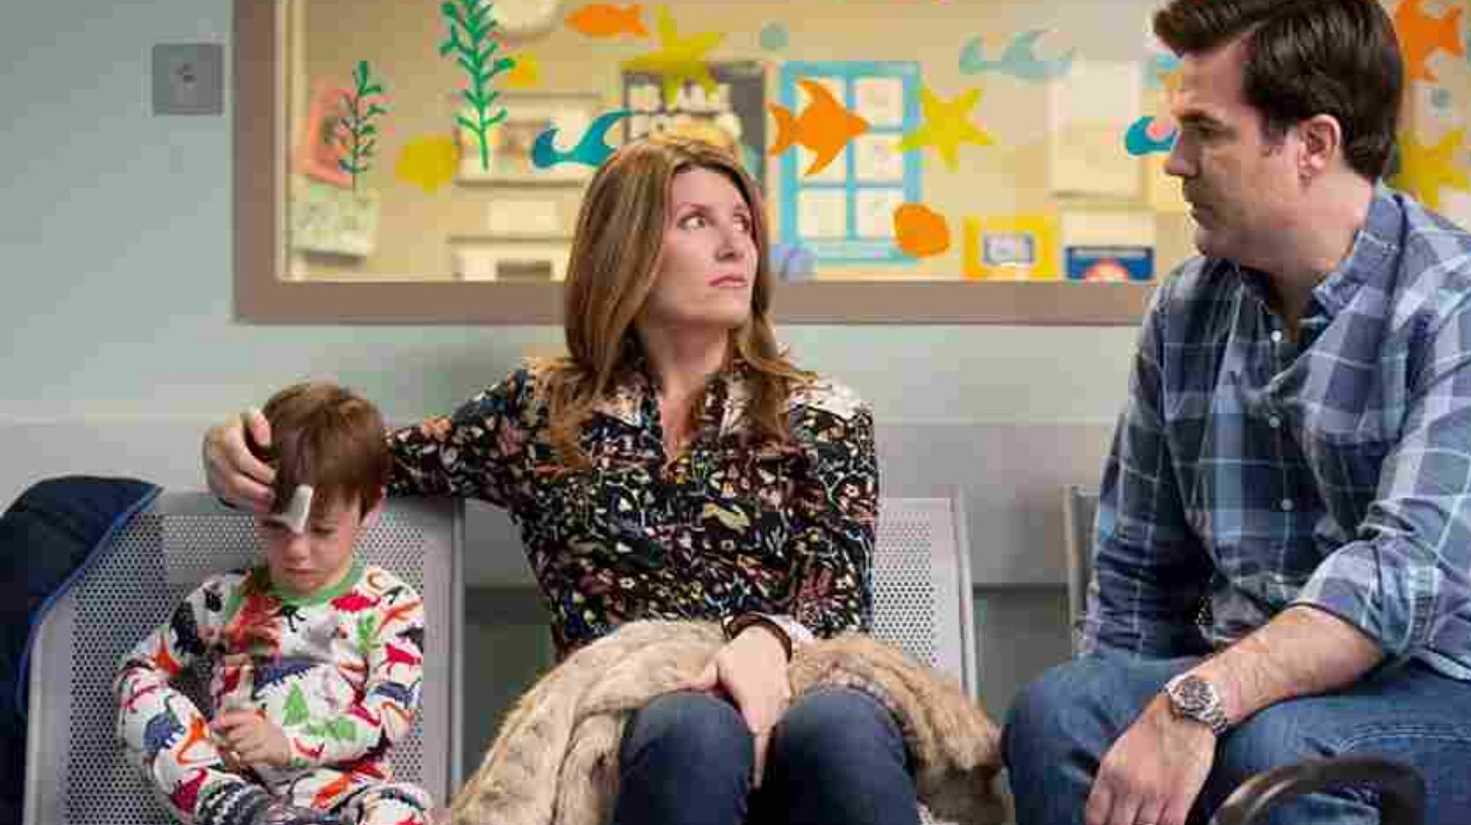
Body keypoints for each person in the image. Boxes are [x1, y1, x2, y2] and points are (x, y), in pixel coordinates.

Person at [203, 135, 912, 825]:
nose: (736, 247)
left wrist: (760, 643)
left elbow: (837, 597)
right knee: (694, 730)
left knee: (844, 727)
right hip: (630, 720)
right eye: (696, 222)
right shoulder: (544, 414)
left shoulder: (824, 416)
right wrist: (234, 456)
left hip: (797, 687)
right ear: (625, 251)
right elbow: (357, 464)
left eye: (742, 224)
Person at [1002, 2, 1471, 825]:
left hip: (1466, 694)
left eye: (1205, 131)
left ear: (1312, 143)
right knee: (1060, 713)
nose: (1175, 163)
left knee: (1278, 751)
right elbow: (1141, 570)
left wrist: (1196, 702)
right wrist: (1132, 722)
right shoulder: (1185, 312)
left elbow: (1406, 577)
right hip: (1251, 685)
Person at [118, 382, 429, 825]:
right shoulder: (221, 598)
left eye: (321, 530)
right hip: (235, 794)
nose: (297, 550)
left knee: (402, 808)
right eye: (275, 525)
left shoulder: (391, 604)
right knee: (137, 694)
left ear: (370, 508)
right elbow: (140, 668)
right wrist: (204, 743)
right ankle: (246, 811)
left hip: (343, 800)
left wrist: (287, 743)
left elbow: (387, 716)